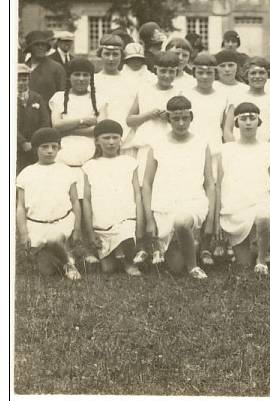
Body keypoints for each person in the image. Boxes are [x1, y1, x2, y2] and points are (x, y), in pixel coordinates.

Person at [142, 95, 215, 278]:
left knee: (182, 222)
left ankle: (194, 267)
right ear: (168, 119)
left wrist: (211, 219)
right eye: (176, 118)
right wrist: (150, 220)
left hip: (193, 201)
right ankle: (190, 244)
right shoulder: (157, 145)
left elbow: (209, 183)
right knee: (175, 268)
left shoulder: (201, 143)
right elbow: (147, 184)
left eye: (185, 118)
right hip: (165, 205)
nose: (181, 123)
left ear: (191, 118)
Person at [218, 102, 270, 275]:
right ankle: (253, 245)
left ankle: (261, 260)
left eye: (252, 118)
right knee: (243, 265)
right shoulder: (226, 149)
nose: (247, 122)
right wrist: (217, 217)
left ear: (258, 122)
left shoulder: (269, 148)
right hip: (235, 208)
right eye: (243, 119)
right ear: (237, 122)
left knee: (263, 216)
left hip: (260, 203)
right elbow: (219, 185)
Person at [16, 127, 82, 280]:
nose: (50, 151)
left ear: (59, 148)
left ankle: (68, 262)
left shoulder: (66, 170)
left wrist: (77, 227)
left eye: (54, 147)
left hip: (62, 221)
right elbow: (20, 206)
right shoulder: (26, 173)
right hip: (37, 224)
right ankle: (62, 254)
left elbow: (75, 202)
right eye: (44, 147)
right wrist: (24, 233)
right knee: (47, 272)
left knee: (53, 238)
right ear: (35, 148)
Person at [81, 120, 144, 276]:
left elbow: (137, 193)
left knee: (127, 233)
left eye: (115, 137)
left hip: (126, 216)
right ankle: (115, 253)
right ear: (97, 141)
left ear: (120, 140)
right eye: (106, 138)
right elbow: (87, 200)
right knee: (108, 269)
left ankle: (128, 260)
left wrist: (140, 221)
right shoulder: (89, 165)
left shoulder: (130, 162)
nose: (111, 142)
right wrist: (89, 230)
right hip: (103, 220)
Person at [49, 57, 105, 188]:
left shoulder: (100, 100)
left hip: (90, 156)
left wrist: (67, 130)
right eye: (77, 74)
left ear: (91, 78)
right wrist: (83, 120)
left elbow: (100, 130)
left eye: (85, 75)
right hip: (64, 156)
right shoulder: (58, 97)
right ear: (69, 77)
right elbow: (56, 125)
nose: (81, 78)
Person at [126, 51, 180, 184]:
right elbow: (130, 120)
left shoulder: (179, 92)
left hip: (170, 147)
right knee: (143, 183)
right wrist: (148, 115)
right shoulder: (145, 90)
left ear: (176, 71)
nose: (167, 75)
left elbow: (185, 121)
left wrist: (169, 117)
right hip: (146, 146)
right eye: (163, 71)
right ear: (156, 69)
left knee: (166, 184)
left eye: (171, 71)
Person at [224, 57, 270, 145]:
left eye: (262, 73)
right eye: (253, 73)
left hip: (264, 151)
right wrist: (235, 150)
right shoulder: (236, 98)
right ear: (247, 75)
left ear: (268, 75)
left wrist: (267, 151)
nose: (257, 76)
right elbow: (228, 130)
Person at [94, 35, 138, 151]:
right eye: (107, 54)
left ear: (122, 56)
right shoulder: (93, 81)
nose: (111, 59)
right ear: (100, 55)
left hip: (127, 140)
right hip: (100, 142)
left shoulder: (132, 81)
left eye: (115, 54)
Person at [17, 63, 50, 173]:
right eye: (18, 80)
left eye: (24, 80)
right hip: (16, 147)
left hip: (35, 146)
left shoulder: (37, 97)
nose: (21, 83)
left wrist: (35, 141)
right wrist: (22, 142)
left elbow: (45, 120)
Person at [24, 32, 66, 102]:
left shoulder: (56, 68)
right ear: (30, 48)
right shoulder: (23, 68)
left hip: (49, 111)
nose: (40, 47)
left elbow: (62, 94)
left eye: (43, 45)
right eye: (37, 45)